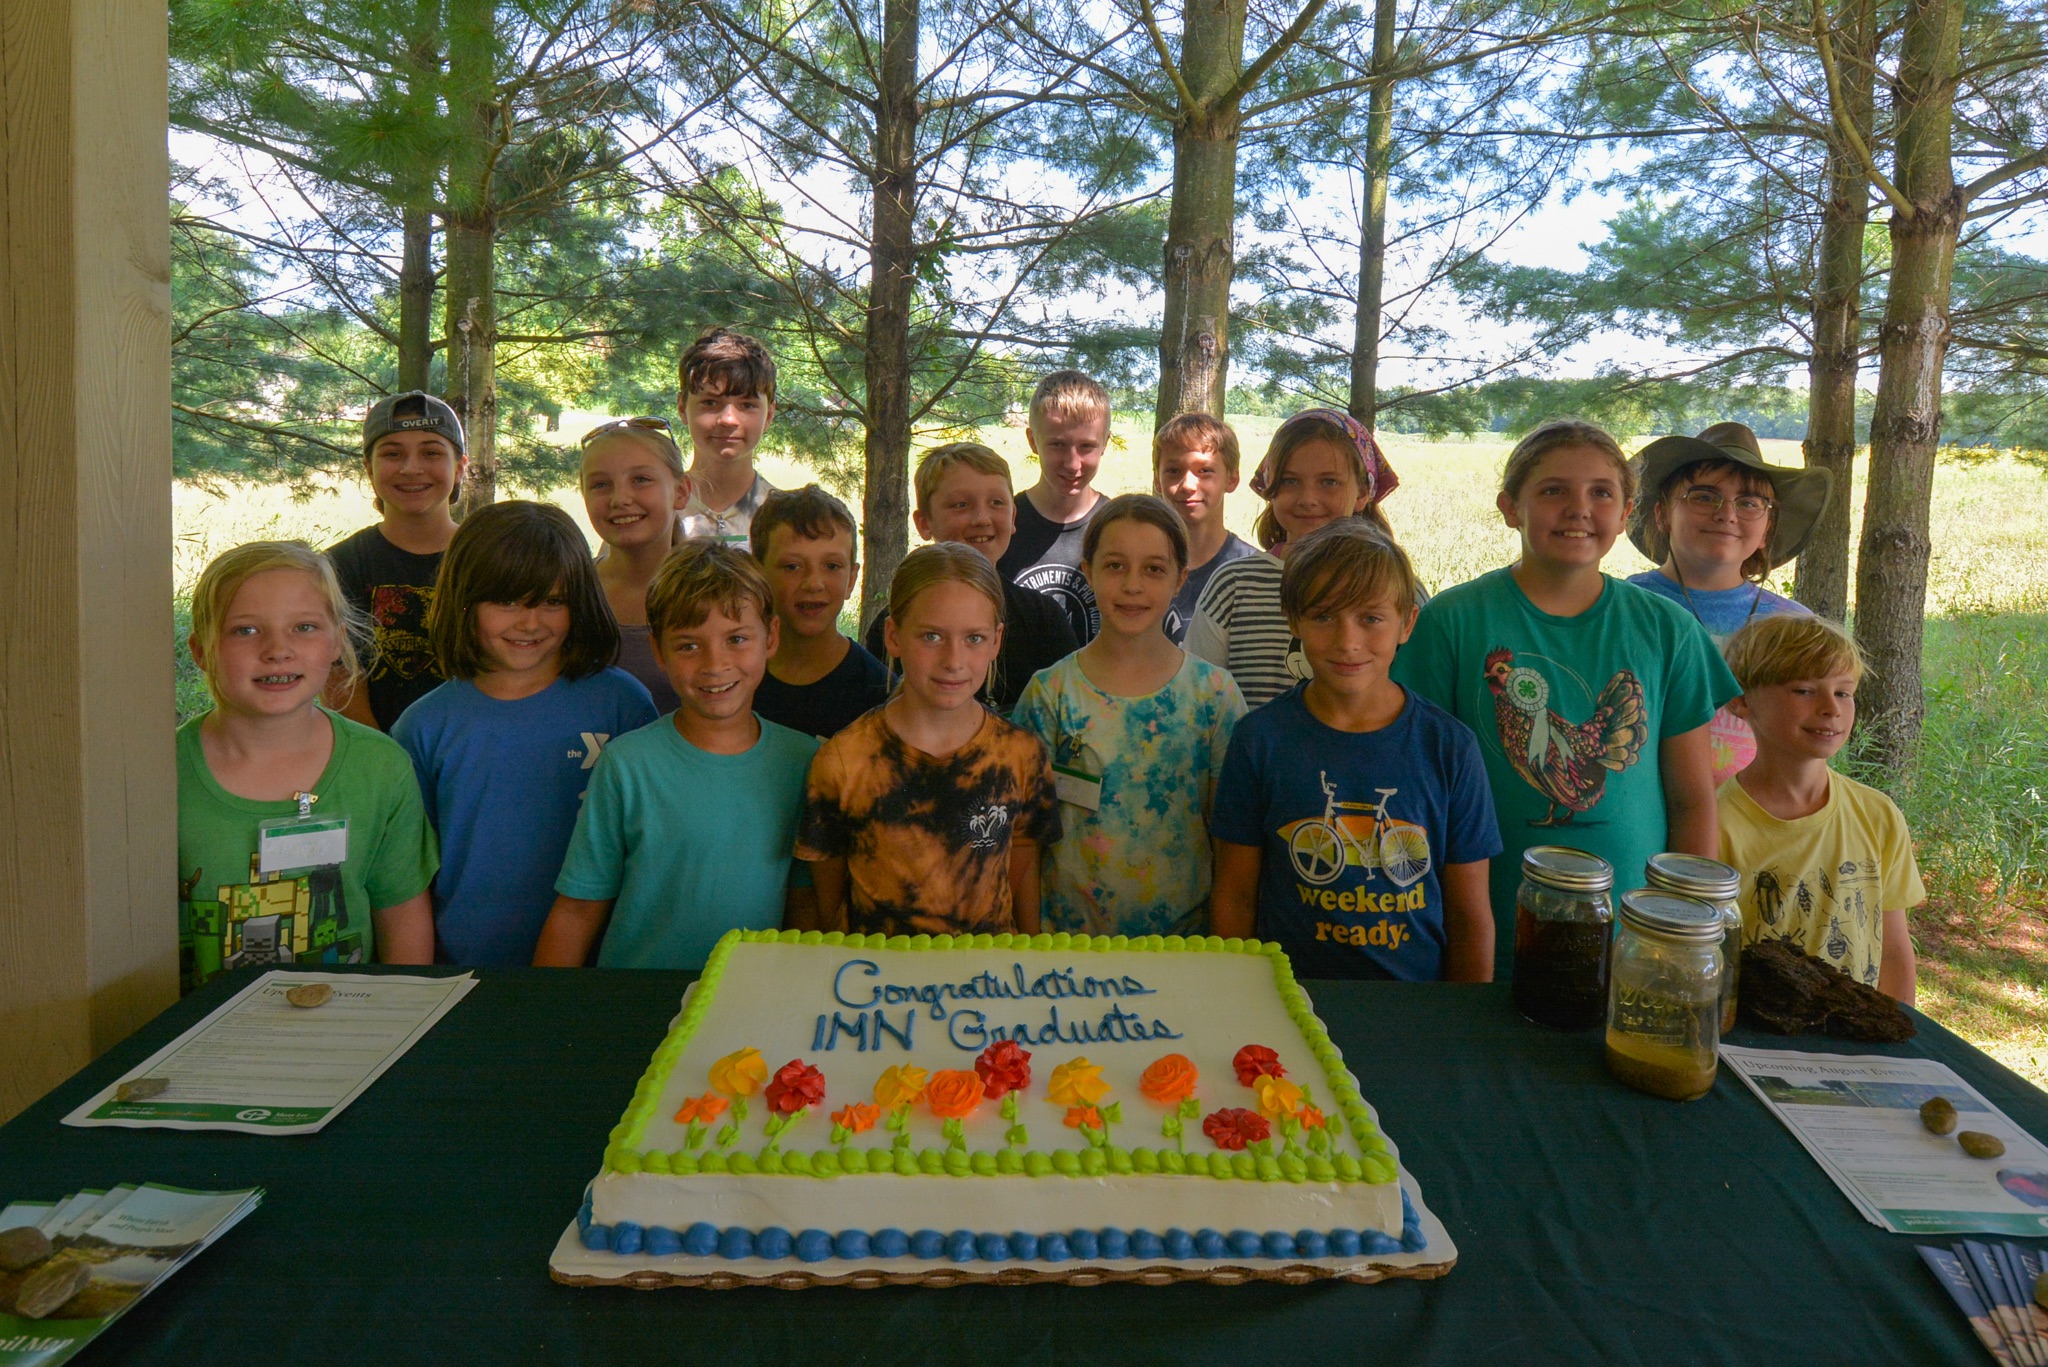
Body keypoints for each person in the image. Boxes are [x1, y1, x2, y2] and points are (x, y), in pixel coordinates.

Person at [1392, 419, 1739, 977]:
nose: (1579, 508)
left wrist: (1684, 931)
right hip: (1480, 930)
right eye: (1553, 490)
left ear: (1626, 512)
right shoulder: (1451, 623)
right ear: (1511, 507)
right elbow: (1417, 787)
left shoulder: (1666, 630)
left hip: (1632, 935)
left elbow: (1693, 799)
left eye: (1601, 492)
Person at [1209, 522, 1499, 980]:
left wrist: (1465, 1025)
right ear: (1293, 619)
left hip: (1415, 1010)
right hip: (1289, 1002)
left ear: (1407, 623)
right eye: (1324, 616)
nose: (1347, 642)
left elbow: (1470, 917)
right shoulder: (1259, 740)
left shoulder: (1450, 748)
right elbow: (1235, 897)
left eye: (1370, 618)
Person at [392, 502, 657, 966]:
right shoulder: (424, 727)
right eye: (507, 600)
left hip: (608, 965)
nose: (529, 622)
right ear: (463, 600)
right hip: (467, 968)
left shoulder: (622, 705)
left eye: (552, 601)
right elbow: (407, 879)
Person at [534, 543, 819, 970]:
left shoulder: (806, 762)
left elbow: (803, 900)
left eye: (737, 639)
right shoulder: (626, 765)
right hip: (635, 1004)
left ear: (771, 638)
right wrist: (546, 1021)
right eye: (688, 645)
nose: (714, 664)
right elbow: (579, 908)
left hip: (751, 1006)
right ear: (658, 651)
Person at [177, 541, 437, 993]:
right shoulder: (158, 773)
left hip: (343, 1030)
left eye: (304, 627)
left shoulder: (381, 767)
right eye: (245, 631)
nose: (278, 650)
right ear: (201, 651)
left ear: (338, 640)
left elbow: (402, 915)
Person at [1013, 494, 1245, 937]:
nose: (1133, 585)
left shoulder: (1214, 697)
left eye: (1153, 569)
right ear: (1088, 571)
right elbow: (1025, 836)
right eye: (1115, 565)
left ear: (1180, 579)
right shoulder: (1051, 694)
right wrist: (1029, 942)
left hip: (1182, 945)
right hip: (1067, 944)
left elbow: (1229, 839)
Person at [802, 543, 1061, 936]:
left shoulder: (1021, 757)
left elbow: (1022, 865)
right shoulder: (843, 761)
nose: (953, 661)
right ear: (893, 635)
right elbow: (828, 905)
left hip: (990, 980)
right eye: (932, 636)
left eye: (973, 638)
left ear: (996, 641)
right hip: (876, 983)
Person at [1718, 614, 1921, 1001]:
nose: (1832, 708)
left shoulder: (1878, 816)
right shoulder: (1717, 823)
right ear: (1741, 700)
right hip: (1756, 1040)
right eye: (1804, 691)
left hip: (1854, 1036)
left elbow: (1894, 951)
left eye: (1843, 692)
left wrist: (1897, 1041)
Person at [1626, 422, 1833, 784]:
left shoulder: (1796, 627)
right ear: (1661, 514)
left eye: (1749, 502)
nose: (1727, 513)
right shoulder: (1622, 608)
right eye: (1704, 497)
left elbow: (1811, 743)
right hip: (1644, 815)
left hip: (1756, 820)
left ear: (1767, 527)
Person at [1186, 408, 1401, 707]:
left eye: (1328, 482)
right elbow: (1197, 694)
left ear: (1363, 490)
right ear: (1269, 487)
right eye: (1289, 481)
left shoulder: (1394, 588)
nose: (1307, 498)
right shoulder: (1234, 585)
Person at [862, 442, 1079, 714]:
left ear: (1013, 516)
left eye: (996, 503)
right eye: (961, 505)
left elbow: (1073, 714)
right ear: (924, 523)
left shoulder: (1043, 620)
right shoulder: (901, 622)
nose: (981, 518)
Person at [324, 391, 469, 731]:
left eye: (431, 452)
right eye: (392, 453)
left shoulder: (492, 556)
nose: (411, 468)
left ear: (461, 467)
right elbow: (339, 677)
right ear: (368, 469)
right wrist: (385, 759)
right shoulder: (338, 566)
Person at [748, 484, 890, 738]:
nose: (813, 583)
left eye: (832, 566)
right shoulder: (735, 679)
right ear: (758, 575)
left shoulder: (880, 696)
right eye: (792, 566)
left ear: (851, 579)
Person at [578, 415, 693, 712]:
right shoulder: (567, 591)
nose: (621, 498)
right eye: (600, 484)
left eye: (641, 480)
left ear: (681, 492)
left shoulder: (717, 594)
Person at [999, 369, 1111, 642]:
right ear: (1032, 441)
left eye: (1086, 447)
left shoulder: (1117, 528)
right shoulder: (1000, 525)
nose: (1072, 464)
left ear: (1105, 443)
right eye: (1058, 445)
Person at [1154, 411, 1256, 644]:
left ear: (1232, 479)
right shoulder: (1141, 569)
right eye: (1173, 471)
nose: (1189, 485)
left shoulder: (1252, 572)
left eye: (1205, 471)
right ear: (1157, 480)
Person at [677, 326, 779, 545]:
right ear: (682, 408)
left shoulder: (785, 517)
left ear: (769, 414)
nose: (729, 419)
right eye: (711, 402)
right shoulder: (655, 511)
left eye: (747, 405)